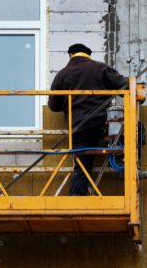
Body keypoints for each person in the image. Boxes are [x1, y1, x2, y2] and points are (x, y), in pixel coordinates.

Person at [48, 43, 128, 196]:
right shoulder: (100, 68)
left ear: (70, 55)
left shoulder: (62, 75)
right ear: (88, 55)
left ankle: (77, 197)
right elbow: (124, 86)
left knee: (82, 165)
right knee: (132, 131)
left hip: (78, 126)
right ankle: (123, 165)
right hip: (101, 123)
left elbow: (53, 106)